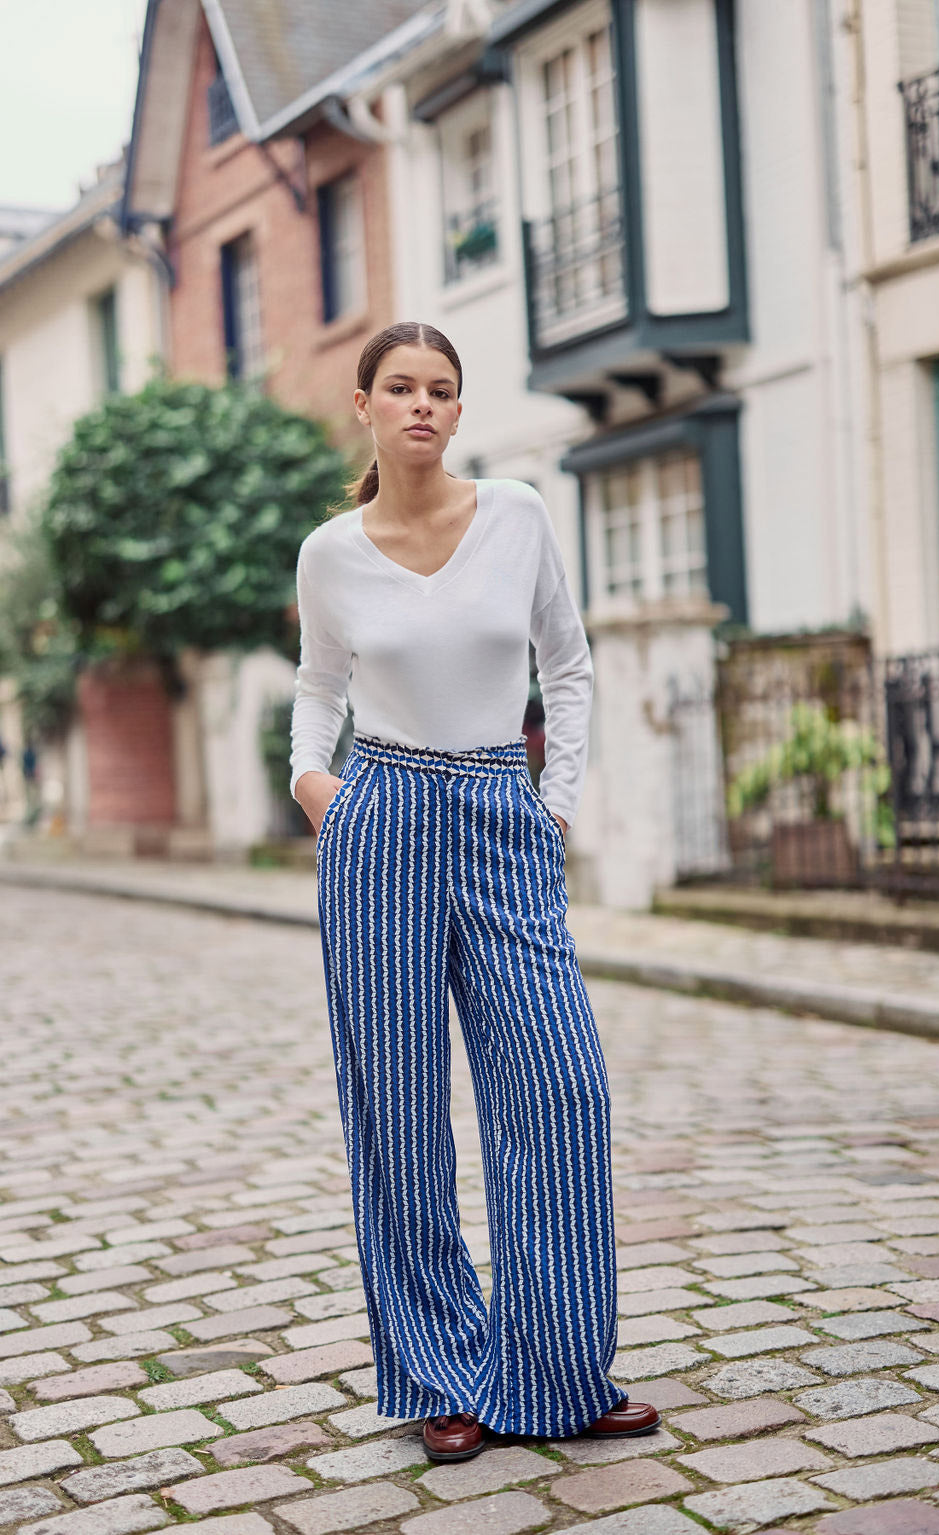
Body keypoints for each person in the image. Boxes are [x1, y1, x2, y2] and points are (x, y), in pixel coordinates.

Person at [289, 320, 658, 1463]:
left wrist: (552, 804)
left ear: (458, 410)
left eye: (441, 390)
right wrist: (321, 792)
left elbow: (571, 662)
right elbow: (317, 687)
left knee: (559, 1089)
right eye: (399, 387)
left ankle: (555, 1365)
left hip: (505, 813)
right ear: (363, 403)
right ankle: (442, 1371)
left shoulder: (517, 516)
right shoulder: (331, 551)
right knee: (396, 1109)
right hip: (381, 817)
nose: (421, 406)